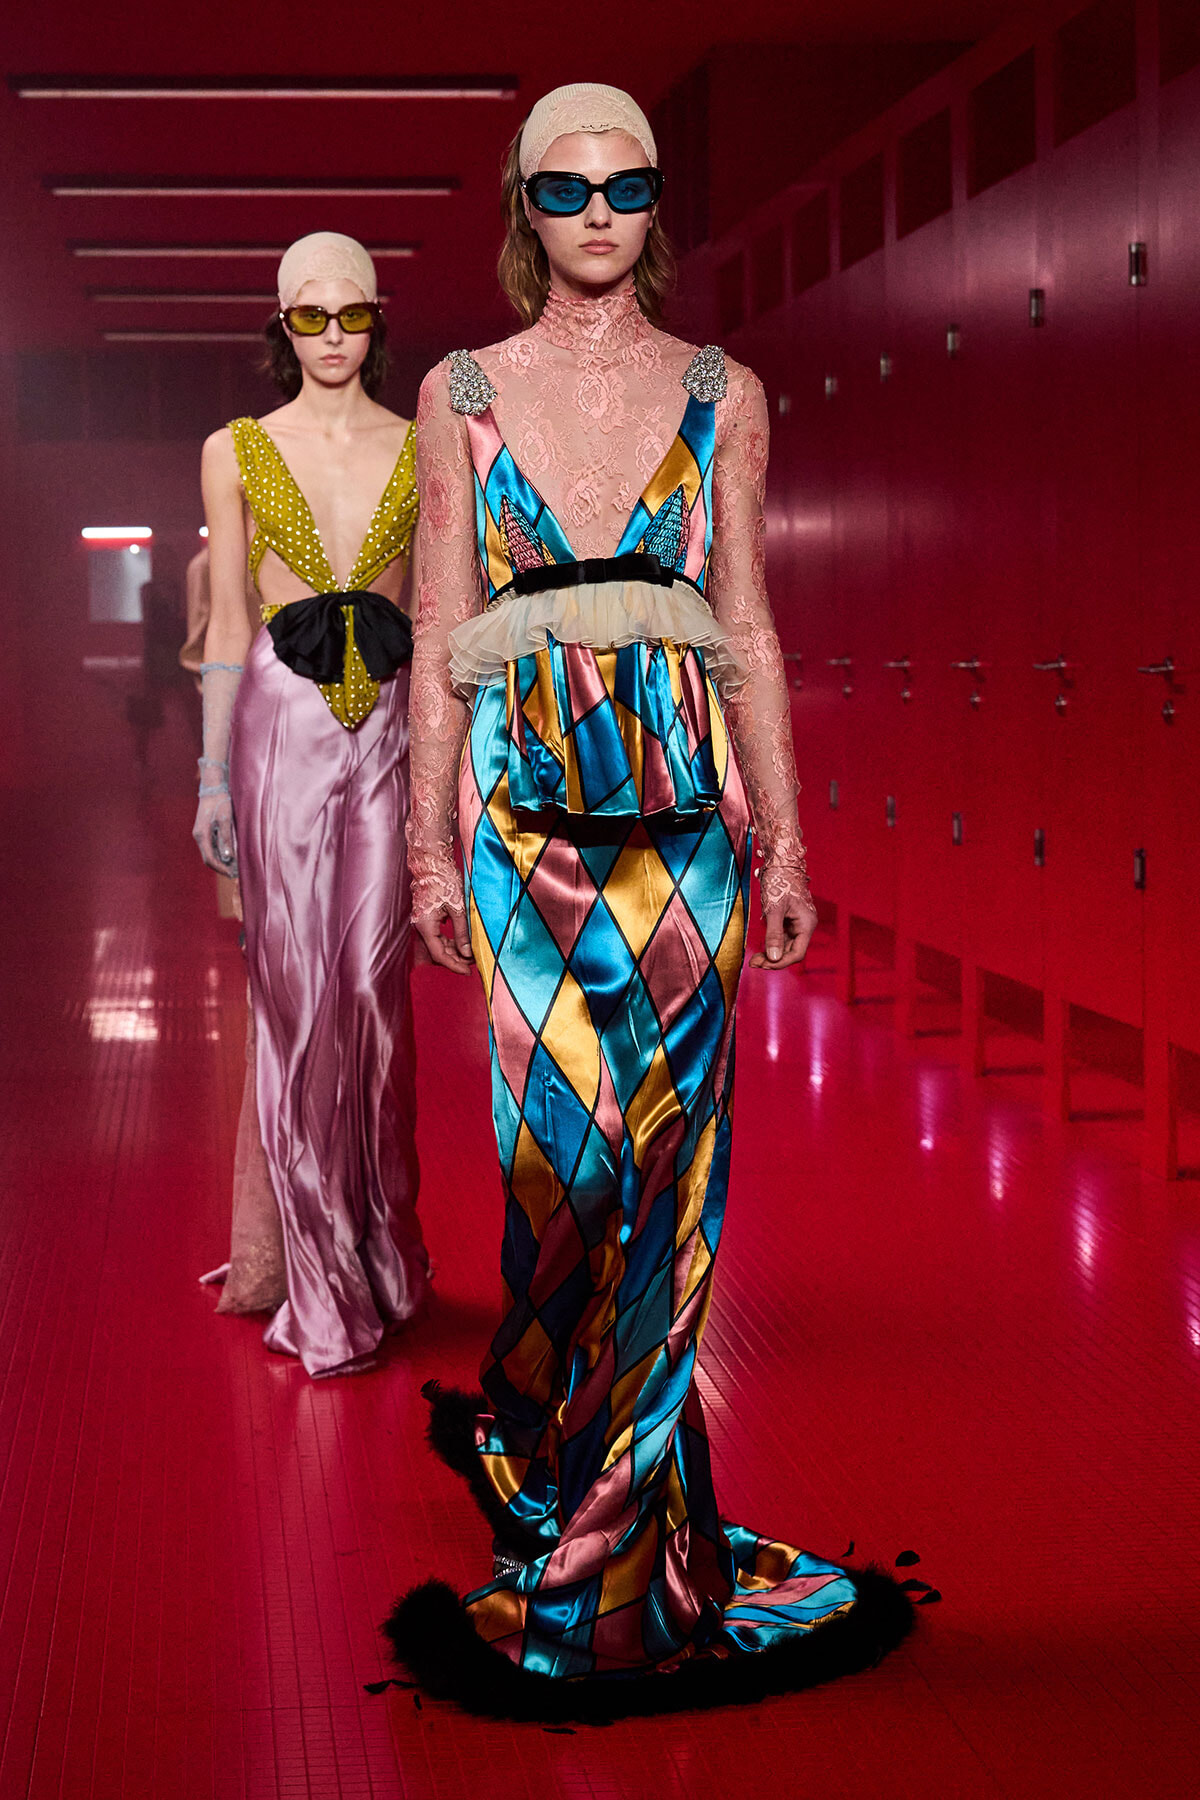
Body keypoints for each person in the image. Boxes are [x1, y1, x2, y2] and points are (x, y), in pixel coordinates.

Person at [387, 86, 911, 1712]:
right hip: (523, 841)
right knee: (554, 1189)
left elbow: (747, 622)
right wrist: (423, 851)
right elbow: (433, 640)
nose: (598, 210)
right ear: (523, 205)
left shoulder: (722, 392)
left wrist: (795, 844)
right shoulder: (460, 394)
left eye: (627, 184)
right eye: (565, 185)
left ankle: (624, 1574)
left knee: (671, 1198)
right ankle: (558, 1478)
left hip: (688, 834)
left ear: (657, 201)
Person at [194, 231, 429, 1377]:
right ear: (279, 327)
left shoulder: (430, 447)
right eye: (309, 318)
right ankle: (323, 1290)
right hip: (279, 731)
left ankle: (383, 1246)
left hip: (388, 727)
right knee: (293, 1006)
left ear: (378, 320)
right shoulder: (234, 451)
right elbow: (231, 630)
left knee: (376, 995)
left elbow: (442, 624)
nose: (332, 337)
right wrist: (208, 782)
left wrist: (454, 775)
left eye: (352, 316)